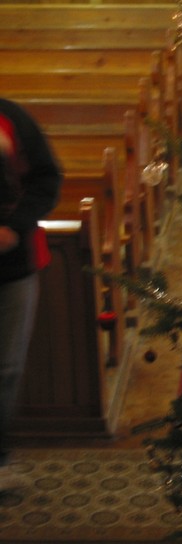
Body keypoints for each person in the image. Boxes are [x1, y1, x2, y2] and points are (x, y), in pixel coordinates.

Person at [0, 98, 62, 491]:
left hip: (12, 265)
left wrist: (13, 227)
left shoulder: (11, 118)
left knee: (5, 370)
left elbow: (46, 179)